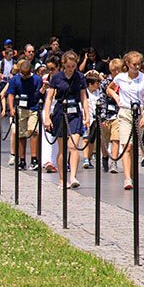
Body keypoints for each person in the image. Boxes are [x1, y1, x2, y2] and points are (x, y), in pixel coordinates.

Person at [44, 50, 92, 188]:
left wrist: (87, 115)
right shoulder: (57, 77)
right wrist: (47, 116)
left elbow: (83, 97)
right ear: (64, 64)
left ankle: (73, 176)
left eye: (73, 66)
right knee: (62, 148)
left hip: (75, 112)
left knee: (73, 146)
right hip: (60, 111)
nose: (71, 69)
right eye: (69, 66)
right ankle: (61, 179)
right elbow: (49, 98)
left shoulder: (80, 77)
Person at [108, 50, 144, 191]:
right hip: (125, 112)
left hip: (138, 112)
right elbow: (110, 89)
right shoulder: (120, 77)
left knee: (135, 145)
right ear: (127, 64)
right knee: (127, 145)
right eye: (134, 64)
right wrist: (117, 97)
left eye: (139, 64)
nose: (137, 67)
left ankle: (131, 173)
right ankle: (127, 177)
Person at [7, 58, 43, 169]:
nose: (24, 76)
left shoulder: (37, 79)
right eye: (22, 74)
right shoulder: (15, 80)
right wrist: (11, 108)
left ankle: (34, 159)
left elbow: (39, 93)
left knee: (33, 131)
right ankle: (21, 160)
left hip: (33, 107)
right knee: (21, 134)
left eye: (26, 74)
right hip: (21, 108)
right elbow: (11, 94)